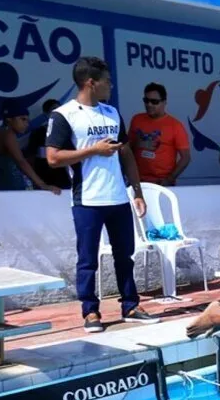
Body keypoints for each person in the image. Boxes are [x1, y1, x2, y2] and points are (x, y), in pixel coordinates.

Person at [45, 55, 157, 333]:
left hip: (118, 198)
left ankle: (130, 305)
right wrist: (92, 150)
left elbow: (126, 153)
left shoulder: (111, 113)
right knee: (87, 259)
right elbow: (53, 157)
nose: (112, 86)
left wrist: (137, 191)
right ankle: (90, 311)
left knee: (125, 256)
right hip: (88, 201)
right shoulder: (64, 115)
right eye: (107, 81)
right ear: (90, 83)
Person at [0, 103, 61, 194]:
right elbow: (20, 161)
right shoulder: (8, 134)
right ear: (9, 119)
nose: (26, 124)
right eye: (23, 119)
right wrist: (42, 184)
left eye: (27, 120)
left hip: (2, 186)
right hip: (9, 187)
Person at [127, 83, 190, 186]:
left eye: (154, 102)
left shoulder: (175, 125)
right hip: (137, 181)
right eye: (146, 101)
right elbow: (126, 148)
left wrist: (169, 179)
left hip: (161, 183)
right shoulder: (136, 119)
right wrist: (137, 144)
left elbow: (186, 158)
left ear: (164, 102)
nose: (149, 104)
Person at [27, 100, 73, 190]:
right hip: (44, 176)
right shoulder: (38, 133)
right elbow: (30, 158)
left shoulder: (68, 132)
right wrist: (37, 181)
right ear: (46, 113)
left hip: (64, 177)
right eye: (54, 109)